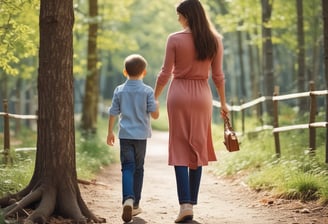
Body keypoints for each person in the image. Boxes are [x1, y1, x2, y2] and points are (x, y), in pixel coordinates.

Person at [153, 0, 229, 223]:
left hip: (178, 94)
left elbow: (165, 73)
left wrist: (154, 97)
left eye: (179, 15)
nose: (178, 19)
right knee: (197, 146)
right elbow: (218, 76)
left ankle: (184, 204)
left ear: (187, 15)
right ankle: (192, 204)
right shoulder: (214, 40)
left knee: (178, 146)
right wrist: (223, 103)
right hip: (202, 96)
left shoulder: (174, 39)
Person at [107, 54, 159, 223]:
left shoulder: (119, 90)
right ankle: (135, 205)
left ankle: (127, 199)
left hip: (125, 136)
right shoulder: (147, 91)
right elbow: (155, 115)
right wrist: (156, 105)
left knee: (127, 167)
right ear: (144, 73)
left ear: (124, 72)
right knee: (139, 168)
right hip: (141, 137)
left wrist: (110, 132)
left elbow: (113, 112)